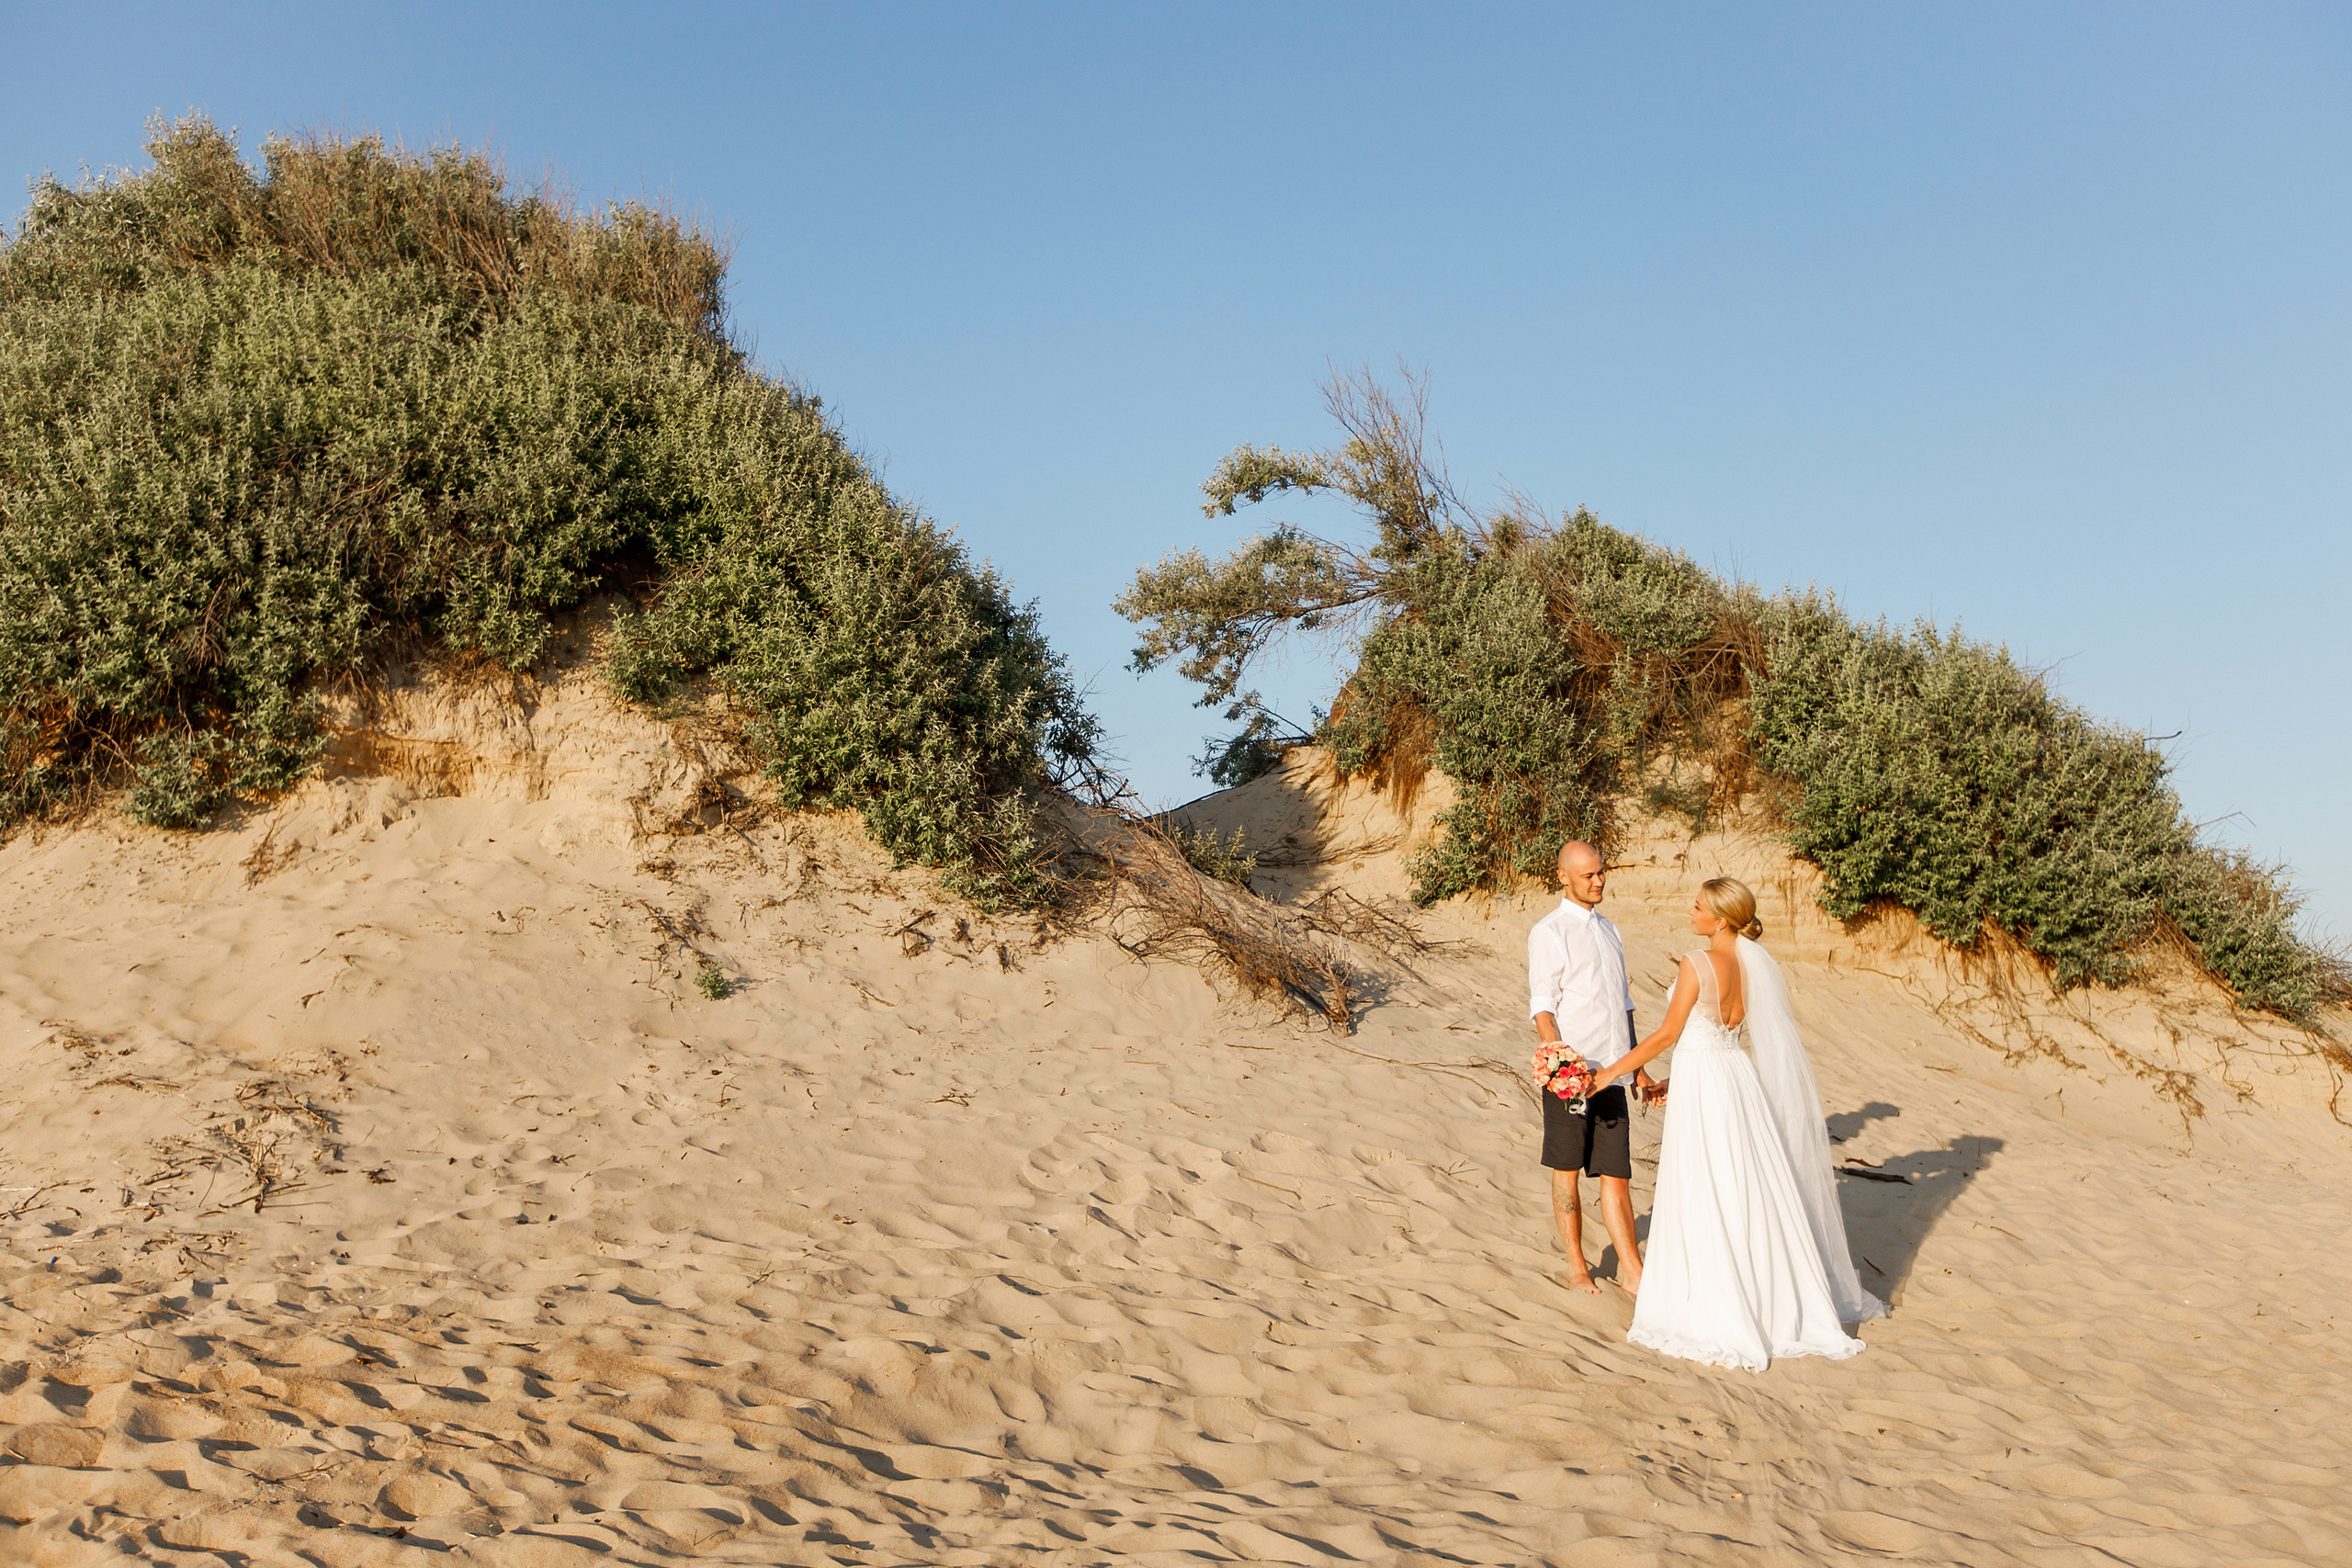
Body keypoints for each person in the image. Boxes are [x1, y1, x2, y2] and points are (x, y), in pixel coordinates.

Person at [1587, 876, 1885, 1370]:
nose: (1690, 911)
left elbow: (1667, 1036)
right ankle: (1768, 1298)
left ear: (1720, 918)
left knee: (1707, 1183)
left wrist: (1609, 1074)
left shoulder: (1697, 962)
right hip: (1732, 1078)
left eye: (1698, 905)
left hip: (1706, 1078)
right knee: (1745, 1184)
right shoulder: (1754, 965)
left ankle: (1718, 1299)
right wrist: (1673, 1083)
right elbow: (1721, 1037)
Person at [1529, 840, 1657, 1295]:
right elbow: (1543, 1008)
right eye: (1588, 875)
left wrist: (1637, 1066)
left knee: (1617, 1173)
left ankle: (1632, 1269)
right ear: (1564, 877)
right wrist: (1562, 1064)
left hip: (1614, 1072)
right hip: (1570, 1077)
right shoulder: (1550, 932)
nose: (1599, 880)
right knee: (1566, 1172)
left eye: (1602, 872)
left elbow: (1622, 1006)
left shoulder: (1611, 931)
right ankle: (1577, 1265)